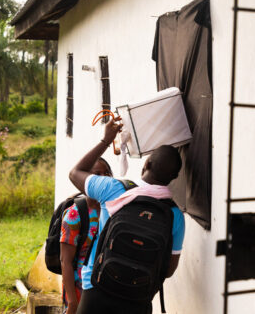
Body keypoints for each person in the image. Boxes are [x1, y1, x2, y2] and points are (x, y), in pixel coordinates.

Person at [69, 118, 185, 314]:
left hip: (97, 289)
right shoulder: (174, 215)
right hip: (138, 298)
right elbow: (168, 269)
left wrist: (106, 140)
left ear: (147, 163)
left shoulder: (113, 189)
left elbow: (75, 173)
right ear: (173, 178)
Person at [60, 158, 113, 314]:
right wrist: (72, 302)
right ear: (86, 180)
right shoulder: (75, 215)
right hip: (81, 291)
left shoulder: (115, 209)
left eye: (107, 173)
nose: (103, 178)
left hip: (109, 290)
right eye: (97, 174)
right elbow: (65, 262)